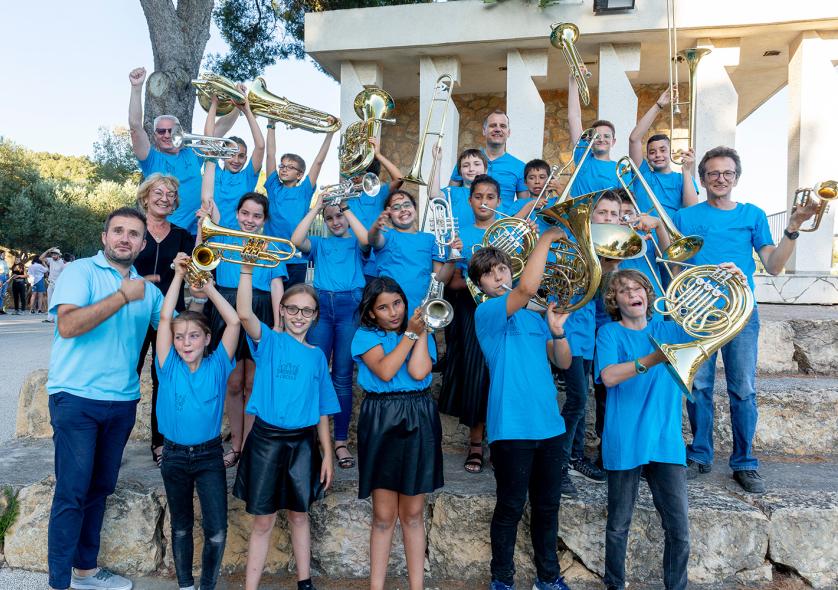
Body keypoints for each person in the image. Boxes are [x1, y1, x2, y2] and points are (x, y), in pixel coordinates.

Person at [669, 146, 818, 494]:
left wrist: (793, 228)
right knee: (698, 387)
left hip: (741, 314)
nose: (720, 179)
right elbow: (676, 268)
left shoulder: (753, 214)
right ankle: (700, 454)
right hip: (698, 314)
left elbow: (774, 264)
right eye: (713, 173)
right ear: (703, 178)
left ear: (736, 178)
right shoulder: (685, 217)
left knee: (743, 389)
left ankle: (745, 462)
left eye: (728, 173)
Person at [46, 207, 163, 590]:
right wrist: (121, 296)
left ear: (143, 244)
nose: (125, 239)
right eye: (118, 231)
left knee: (99, 488)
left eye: (133, 234)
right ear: (104, 237)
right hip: (75, 397)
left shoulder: (148, 289)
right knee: (72, 491)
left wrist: (195, 296)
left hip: (122, 402)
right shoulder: (80, 271)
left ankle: (85, 572)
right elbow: (69, 324)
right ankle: (59, 583)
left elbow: (176, 330)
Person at [470, 225, 573, 590]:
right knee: (510, 508)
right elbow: (528, 287)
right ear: (478, 286)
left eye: (502, 269)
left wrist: (558, 331)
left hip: (549, 425)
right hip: (510, 426)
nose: (498, 277)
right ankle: (502, 579)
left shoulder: (533, 314)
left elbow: (562, 362)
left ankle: (548, 578)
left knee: (547, 509)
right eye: (488, 274)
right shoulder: (488, 313)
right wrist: (545, 238)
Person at [595, 268, 701, 590]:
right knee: (617, 527)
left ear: (647, 293)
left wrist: (738, 281)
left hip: (665, 440)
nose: (632, 293)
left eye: (637, 287)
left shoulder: (670, 328)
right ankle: (615, 585)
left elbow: (715, 331)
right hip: (624, 439)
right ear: (616, 300)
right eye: (624, 290)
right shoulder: (609, 334)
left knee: (679, 531)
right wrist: (651, 359)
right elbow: (609, 377)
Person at [235, 275, 338, 590]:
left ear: (316, 316)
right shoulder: (268, 342)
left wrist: (328, 455)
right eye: (292, 309)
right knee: (263, 520)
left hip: (303, 444)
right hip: (266, 440)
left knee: (299, 514)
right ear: (281, 310)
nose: (299, 316)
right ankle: (251, 586)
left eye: (307, 311)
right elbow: (243, 314)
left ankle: (304, 582)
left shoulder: (317, 356)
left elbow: (322, 409)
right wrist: (247, 269)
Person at [351, 277, 443, 590]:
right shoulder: (365, 336)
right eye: (384, 307)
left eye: (398, 303)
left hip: (418, 413)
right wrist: (410, 333)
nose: (393, 311)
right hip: (382, 417)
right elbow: (387, 370)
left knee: (414, 512)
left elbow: (418, 373)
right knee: (383, 514)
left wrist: (422, 332)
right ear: (372, 312)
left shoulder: (422, 331)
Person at [155, 253, 238, 590]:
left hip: (208, 457)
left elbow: (233, 322)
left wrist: (209, 288)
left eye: (193, 336)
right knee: (181, 526)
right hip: (173, 456)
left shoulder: (218, 366)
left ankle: (206, 584)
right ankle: (186, 585)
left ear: (206, 339)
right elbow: (164, 317)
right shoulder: (168, 366)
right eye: (179, 337)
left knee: (217, 529)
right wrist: (177, 275)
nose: (185, 342)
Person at [200, 159, 287, 470]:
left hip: (260, 308)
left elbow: (277, 286)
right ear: (237, 214)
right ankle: (235, 443)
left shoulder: (270, 245)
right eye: (245, 213)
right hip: (224, 307)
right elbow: (202, 265)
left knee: (254, 383)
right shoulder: (222, 237)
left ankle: (249, 445)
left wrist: (278, 324)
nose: (250, 220)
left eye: (257, 216)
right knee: (233, 382)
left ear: (264, 220)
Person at [291, 191, 369, 469]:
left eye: (340, 217)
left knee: (343, 377)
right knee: (317, 372)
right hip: (322, 307)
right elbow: (296, 240)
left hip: (350, 306)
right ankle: (312, 437)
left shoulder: (357, 244)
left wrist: (345, 207)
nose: (336, 222)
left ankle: (339, 441)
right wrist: (316, 208)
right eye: (330, 218)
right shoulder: (321, 244)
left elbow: (366, 239)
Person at [127, 66, 238, 236]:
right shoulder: (151, 158)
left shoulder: (192, 153)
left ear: (181, 130)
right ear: (155, 136)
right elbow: (135, 127)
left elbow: (219, 128)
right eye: (161, 131)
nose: (166, 135)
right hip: (165, 233)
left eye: (171, 130)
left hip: (196, 232)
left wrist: (238, 105)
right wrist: (136, 88)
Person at [437, 174, 499, 473]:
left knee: (501, 375)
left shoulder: (506, 232)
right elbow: (453, 283)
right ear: (470, 200)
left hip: (502, 309)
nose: (484, 202)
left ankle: (500, 442)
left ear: (499, 201)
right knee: (475, 373)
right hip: (469, 311)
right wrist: (454, 256)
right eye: (478, 197)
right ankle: (476, 444)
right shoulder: (460, 234)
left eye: (490, 197)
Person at [133, 173, 195, 466]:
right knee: (125, 375)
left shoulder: (183, 235)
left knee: (165, 378)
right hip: (130, 314)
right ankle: (114, 441)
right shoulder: (132, 230)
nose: (165, 198)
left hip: (169, 316)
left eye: (171, 195)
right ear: (145, 196)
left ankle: (160, 443)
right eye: (159, 192)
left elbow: (197, 275)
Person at [264, 124, 334, 288]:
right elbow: (270, 154)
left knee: (292, 304)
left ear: (300, 174)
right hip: (271, 256)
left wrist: (329, 134)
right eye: (282, 166)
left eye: (290, 167)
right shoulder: (274, 188)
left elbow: (318, 162)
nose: (284, 169)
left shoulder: (304, 191)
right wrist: (271, 125)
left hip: (296, 259)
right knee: (269, 303)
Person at [367, 190, 456, 314]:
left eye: (407, 205)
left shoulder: (430, 239)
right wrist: (376, 228)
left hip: (421, 307)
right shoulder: (387, 235)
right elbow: (373, 240)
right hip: (391, 309)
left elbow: (440, 281)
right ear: (389, 215)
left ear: (415, 208)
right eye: (396, 207)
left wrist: (452, 256)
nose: (403, 209)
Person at [628, 87, 699, 218]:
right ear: (647, 157)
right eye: (652, 152)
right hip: (645, 237)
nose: (658, 155)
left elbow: (692, 210)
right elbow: (634, 139)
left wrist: (687, 171)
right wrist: (658, 105)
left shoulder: (683, 178)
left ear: (671, 152)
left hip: (672, 237)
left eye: (663, 150)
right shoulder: (643, 174)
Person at [346, 137, 405, 283]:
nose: (355, 176)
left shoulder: (380, 192)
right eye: (353, 171)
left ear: (370, 174)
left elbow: (399, 179)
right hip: (350, 256)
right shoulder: (346, 195)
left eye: (359, 171)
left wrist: (377, 154)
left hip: (373, 258)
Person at [449, 110, 529, 208]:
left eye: (503, 126)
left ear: (508, 132)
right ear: (484, 130)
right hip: (466, 221)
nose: (498, 129)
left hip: (502, 223)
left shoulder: (520, 167)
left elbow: (523, 206)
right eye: (493, 125)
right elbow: (450, 198)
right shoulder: (466, 161)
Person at [208, 88, 264, 228]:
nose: (236, 160)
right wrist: (214, 103)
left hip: (237, 241)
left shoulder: (248, 176)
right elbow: (209, 139)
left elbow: (261, 146)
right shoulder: (214, 171)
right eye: (231, 154)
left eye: (241, 156)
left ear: (246, 159)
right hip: (210, 239)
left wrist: (247, 111)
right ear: (221, 155)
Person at [566, 73, 620, 197]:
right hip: (578, 215)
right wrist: (573, 80)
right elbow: (574, 117)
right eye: (596, 136)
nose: (601, 139)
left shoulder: (620, 169)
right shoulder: (583, 156)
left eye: (607, 136)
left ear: (613, 141)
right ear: (590, 140)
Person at [40, 248, 67, 323]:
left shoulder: (62, 262)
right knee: (50, 300)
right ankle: (50, 318)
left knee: (58, 301)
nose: (53, 255)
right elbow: (41, 258)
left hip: (58, 284)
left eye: (55, 254)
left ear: (58, 255)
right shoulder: (50, 260)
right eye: (52, 254)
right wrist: (48, 250)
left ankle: (58, 318)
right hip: (51, 283)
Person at [0, 249, 10, 314]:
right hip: (0, 276)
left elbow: (7, 270)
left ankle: (1, 309)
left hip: (6, 277)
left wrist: (8, 278)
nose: (4, 255)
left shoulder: (5, 261)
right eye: (3, 254)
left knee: (3, 294)